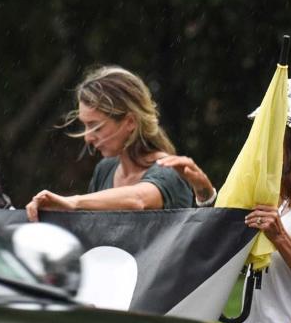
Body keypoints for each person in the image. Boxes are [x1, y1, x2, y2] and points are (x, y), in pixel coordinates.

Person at [161, 78, 291, 323]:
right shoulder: (283, 191)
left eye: (275, 128)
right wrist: (204, 192)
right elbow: (230, 236)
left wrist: (279, 237)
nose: (266, 139)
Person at [25, 66, 195, 220]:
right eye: (85, 125)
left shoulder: (171, 170)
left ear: (130, 122)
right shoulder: (105, 169)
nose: (88, 138)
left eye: (96, 127)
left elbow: (139, 200)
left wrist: (72, 202)